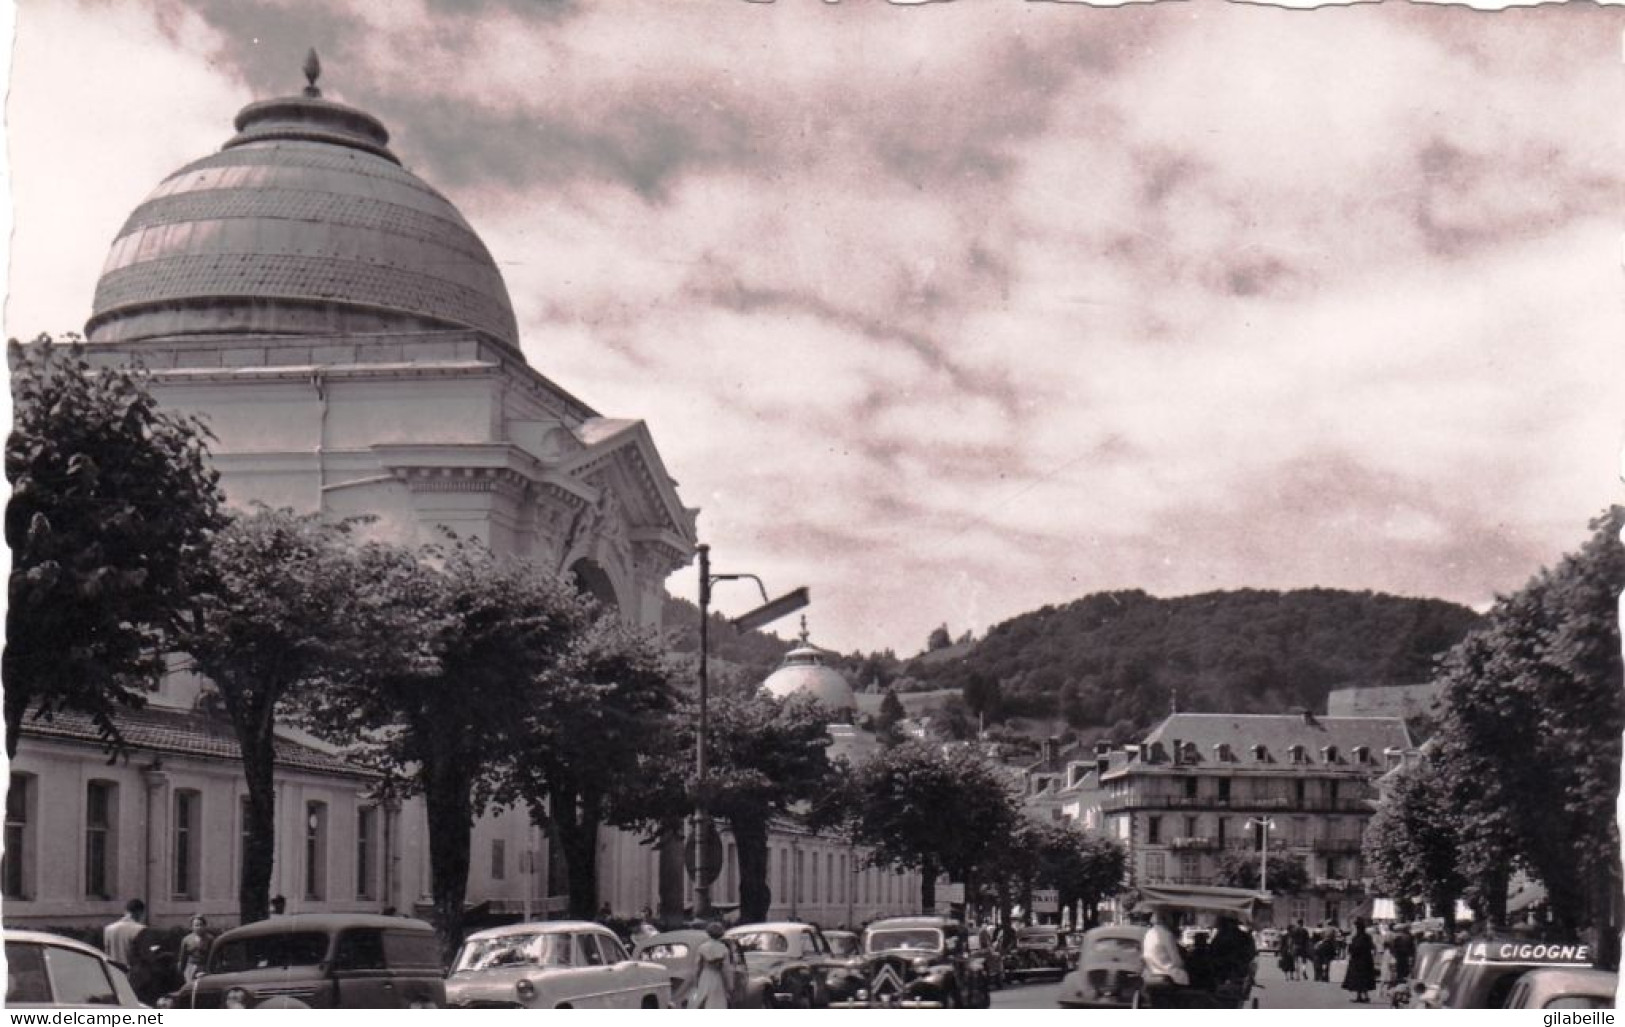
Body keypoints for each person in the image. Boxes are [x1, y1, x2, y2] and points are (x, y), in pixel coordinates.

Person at [1141, 911, 1189, 1005]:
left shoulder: (1149, 933)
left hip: (1152, 974)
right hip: (1169, 975)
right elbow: (1177, 961)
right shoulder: (1166, 934)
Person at [688, 922, 731, 1009]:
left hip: (705, 976)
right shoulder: (724, 948)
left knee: (701, 1000)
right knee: (717, 1002)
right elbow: (726, 969)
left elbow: (697, 967)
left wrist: (695, 982)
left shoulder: (702, 947)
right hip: (717, 977)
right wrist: (729, 985)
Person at [1208, 916, 1256, 988]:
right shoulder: (1220, 936)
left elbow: (1250, 954)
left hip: (1233, 969)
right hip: (1230, 969)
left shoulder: (1222, 936)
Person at [1341, 918, 1378, 1003]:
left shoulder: (1357, 937)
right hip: (1366, 960)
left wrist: (1350, 947)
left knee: (1358, 978)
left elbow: (1355, 949)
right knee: (1364, 978)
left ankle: (1360, 996)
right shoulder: (1367, 937)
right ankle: (1364, 996)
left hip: (1358, 961)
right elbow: (1372, 947)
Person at [103, 899, 146, 968]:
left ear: (126, 911)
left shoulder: (108, 929)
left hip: (114, 973)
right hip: (132, 973)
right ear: (139, 912)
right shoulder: (141, 929)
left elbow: (107, 953)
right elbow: (144, 956)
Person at [177, 915, 212, 982]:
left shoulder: (210, 939)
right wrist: (182, 969)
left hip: (204, 968)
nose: (199, 927)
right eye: (196, 925)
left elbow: (212, 956)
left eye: (201, 925)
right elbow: (183, 957)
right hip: (191, 968)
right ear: (192, 927)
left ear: (205, 926)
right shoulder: (186, 939)